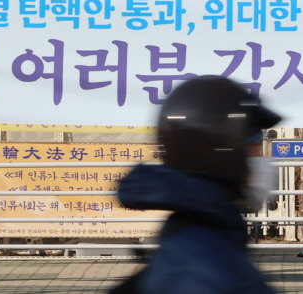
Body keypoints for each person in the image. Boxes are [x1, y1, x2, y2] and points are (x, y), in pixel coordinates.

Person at [116, 76, 282, 294]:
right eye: (254, 146)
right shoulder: (217, 273)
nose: (262, 159)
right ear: (226, 151)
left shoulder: (190, 238)